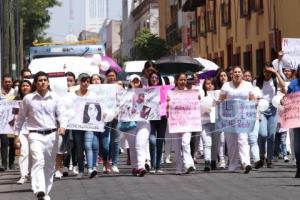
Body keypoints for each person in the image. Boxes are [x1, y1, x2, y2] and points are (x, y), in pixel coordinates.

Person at [14, 71, 67, 200]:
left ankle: (45, 192)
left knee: (49, 164)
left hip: (52, 135)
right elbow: (20, 118)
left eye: (45, 80)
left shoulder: (55, 97)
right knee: (38, 160)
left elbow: (62, 114)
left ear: (48, 82)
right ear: (36, 83)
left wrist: (63, 126)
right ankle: (39, 190)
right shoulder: (28, 99)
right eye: (40, 80)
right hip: (35, 135)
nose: (42, 82)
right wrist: (16, 135)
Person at [219, 66, 254, 173]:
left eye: (239, 72)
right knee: (231, 141)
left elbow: (252, 98)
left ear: (242, 74)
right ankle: (233, 164)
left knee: (242, 139)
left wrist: (254, 105)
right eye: (235, 72)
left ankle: (246, 162)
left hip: (243, 117)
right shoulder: (226, 85)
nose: (237, 74)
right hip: (229, 117)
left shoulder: (248, 85)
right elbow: (221, 100)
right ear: (232, 74)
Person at [254, 63, 286, 168]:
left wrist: (276, 72)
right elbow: (253, 94)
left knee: (271, 136)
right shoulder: (257, 81)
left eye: (269, 72)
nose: (267, 74)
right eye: (265, 71)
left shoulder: (275, 81)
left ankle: (270, 160)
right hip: (261, 109)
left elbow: (283, 85)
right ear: (262, 71)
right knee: (262, 134)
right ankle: (262, 155)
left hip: (273, 109)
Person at [124, 74, 150, 176]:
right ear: (130, 82)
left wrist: (145, 104)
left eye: (137, 81)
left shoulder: (146, 92)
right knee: (132, 146)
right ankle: (135, 167)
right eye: (133, 81)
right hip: (130, 123)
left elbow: (151, 106)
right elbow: (122, 108)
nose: (135, 83)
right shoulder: (125, 94)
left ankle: (141, 166)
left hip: (143, 123)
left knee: (140, 144)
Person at [170, 73, 196, 175]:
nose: (183, 82)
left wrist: (196, 99)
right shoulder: (171, 92)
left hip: (187, 122)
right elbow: (166, 106)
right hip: (175, 122)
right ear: (176, 81)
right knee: (177, 146)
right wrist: (168, 102)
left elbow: (194, 106)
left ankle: (188, 164)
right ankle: (178, 167)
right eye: (181, 80)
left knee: (185, 143)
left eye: (184, 80)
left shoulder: (190, 93)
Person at [148, 71, 167, 173]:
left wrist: (165, 101)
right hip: (151, 118)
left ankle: (158, 166)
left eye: (156, 78)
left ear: (159, 79)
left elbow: (168, 102)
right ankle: (152, 164)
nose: (154, 79)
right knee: (152, 140)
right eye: (152, 78)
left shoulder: (163, 90)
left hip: (162, 118)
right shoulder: (146, 90)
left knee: (160, 142)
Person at [14, 80, 32, 184]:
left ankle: (31, 173)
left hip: (33, 129)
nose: (25, 87)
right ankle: (23, 175)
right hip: (21, 130)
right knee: (23, 152)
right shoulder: (15, 99)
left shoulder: (35, 98)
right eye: (23, 86)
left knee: (33, 153)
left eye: (27, 86)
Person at [286, 65, 300, 178]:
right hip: (297, 118)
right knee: (298, 144)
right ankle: (299, 166)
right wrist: (283, 101)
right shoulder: (293, 84)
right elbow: (287, 97)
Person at [0, 74, 16, 171]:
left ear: (12, 82)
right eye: (6, 82)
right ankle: (4, 164)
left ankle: (11, 163)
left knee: (12, 142)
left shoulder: (15, 92)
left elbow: (17, 106)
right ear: (2, 82)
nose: (7, 83)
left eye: (9, 82)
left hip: (12, 121)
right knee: (4, 143)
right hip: (2, 122)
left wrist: (15, 117)